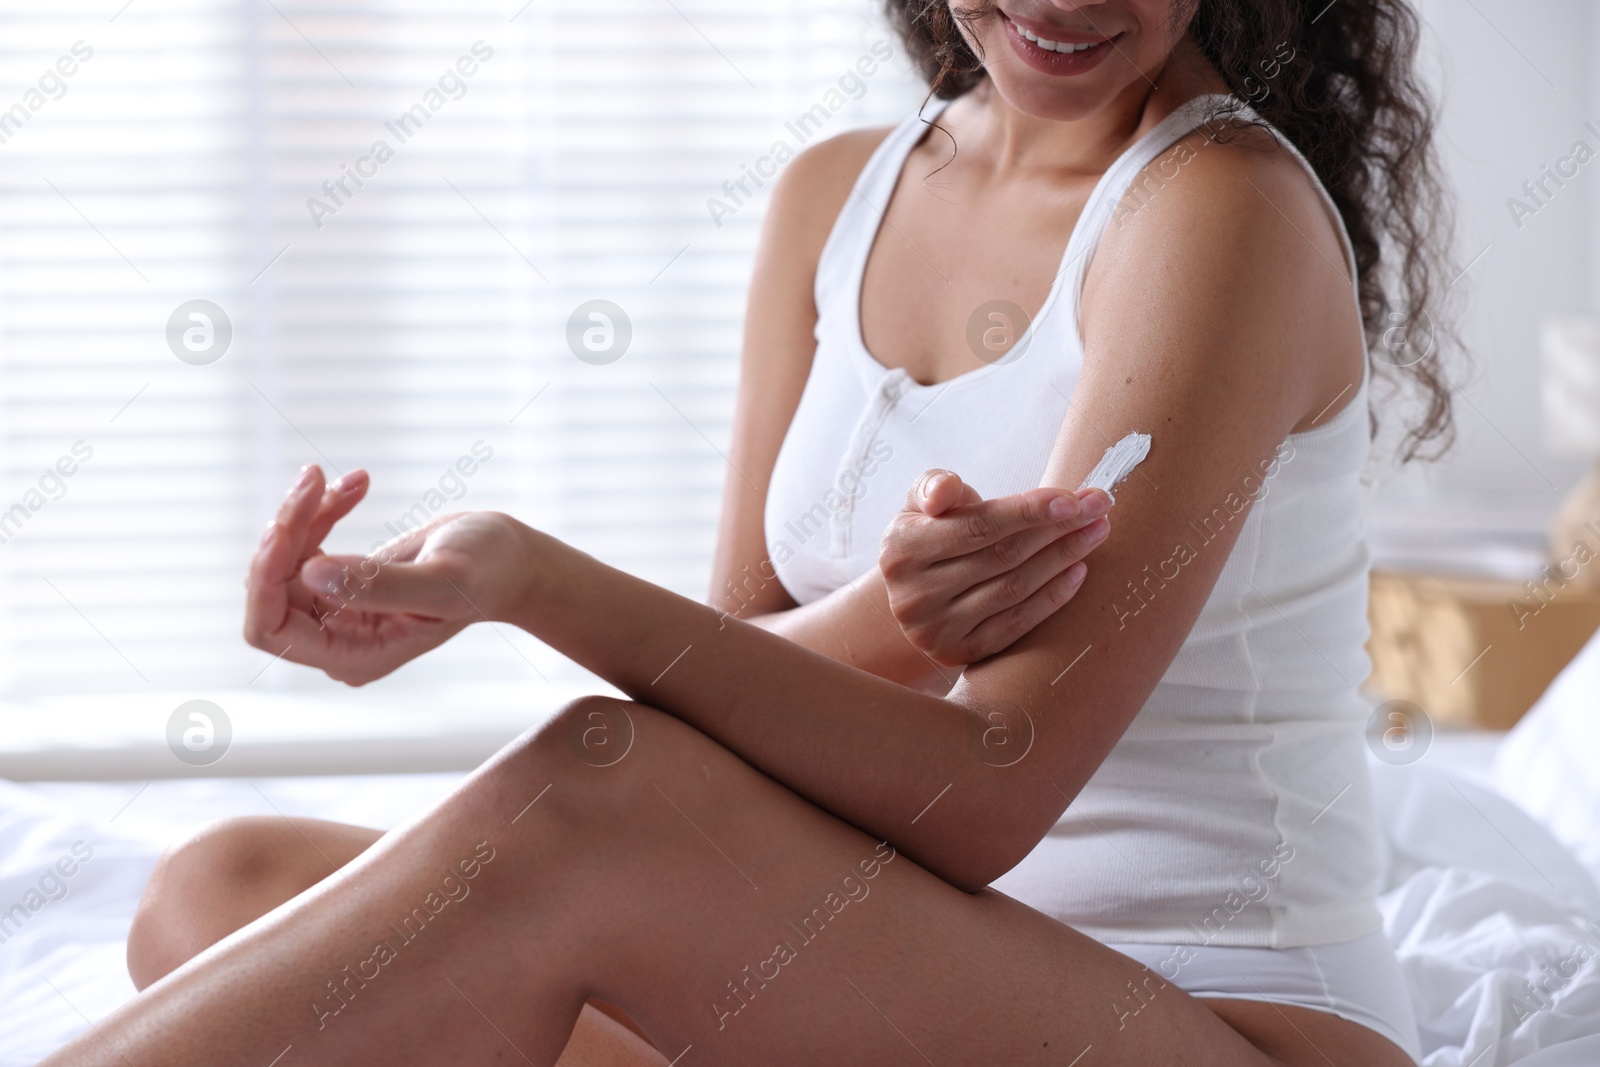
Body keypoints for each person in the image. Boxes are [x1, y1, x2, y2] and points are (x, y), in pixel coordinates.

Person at [50, 1, 1457, 1064]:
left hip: (1207, 1011)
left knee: (590, 802)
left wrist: (529, 580)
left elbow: (986, 796)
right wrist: (891, 620)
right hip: (875, 977)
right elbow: (737, 702)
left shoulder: (1218, 209)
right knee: (214, 890)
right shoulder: (836, 197)